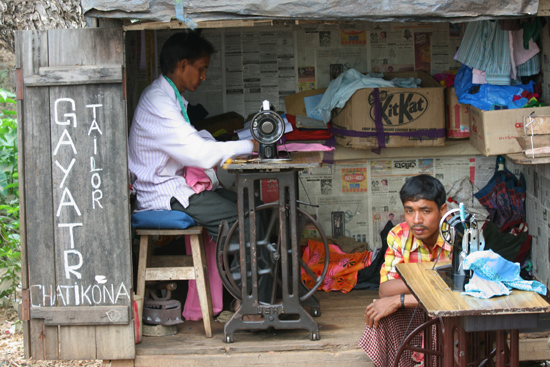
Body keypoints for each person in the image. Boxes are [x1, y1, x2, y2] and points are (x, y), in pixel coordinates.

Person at [128, 31, 256, 320]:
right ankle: (245, 301)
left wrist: (233, 145)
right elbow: (198, 152)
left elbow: (197, 142)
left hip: (177, 186)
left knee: (247, 206)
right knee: (240, 218)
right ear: (182, 64)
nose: (203, 77)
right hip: (162, 194)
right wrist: (249, 145)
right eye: (201, 69)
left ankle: (245, 297)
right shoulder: (158, 102)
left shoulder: (171, 98)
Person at [358, 174, 451, 367]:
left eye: (425, 210)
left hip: (451, 312)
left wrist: (401, 298)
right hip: (419, 307)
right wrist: (438, 281)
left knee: (440, 316)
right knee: (381, 312)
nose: (417, 219)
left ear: (442, 210)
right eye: (409, 211)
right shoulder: (400, 235)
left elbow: (461, 297)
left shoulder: (460, 235)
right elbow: (386, 290)